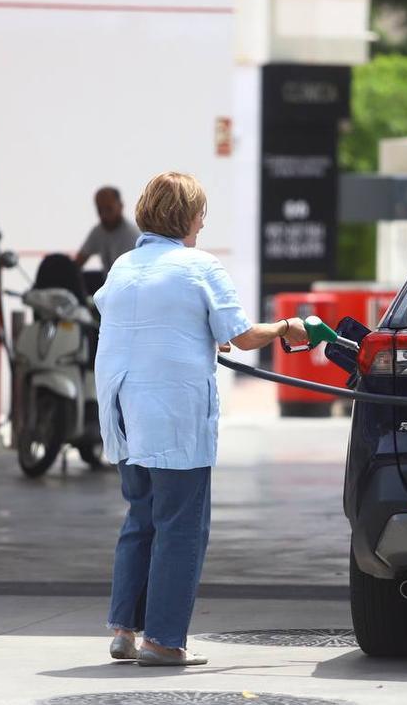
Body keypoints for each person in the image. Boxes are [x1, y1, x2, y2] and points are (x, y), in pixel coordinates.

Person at [94, 171, 308, 666]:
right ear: (190, 217)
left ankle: (124, 630)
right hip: (171, 413)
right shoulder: (198, 266)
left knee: (141, 518)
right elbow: (241, 333)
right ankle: (164, 641)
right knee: (182, 524)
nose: (202, 223)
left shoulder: (123, 267)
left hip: (123, 410)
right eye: (201, 214)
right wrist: (285, 326)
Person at [74, 186, 141, 274]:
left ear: (121, 206)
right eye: (100, 210)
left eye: (109, 209)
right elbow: (78, 262)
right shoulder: (99, 231)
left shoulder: (132, 236)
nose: (104, 215)